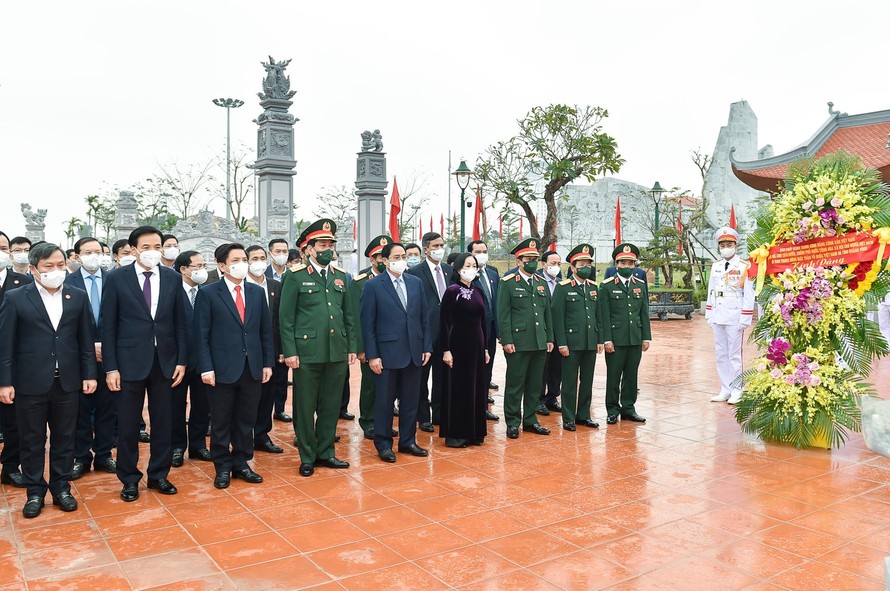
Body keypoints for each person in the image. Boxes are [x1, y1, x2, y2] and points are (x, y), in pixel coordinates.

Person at [0, 243, 97, 517]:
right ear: (33, 269)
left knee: (65, 437)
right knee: (32, 439)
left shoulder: (76, 296)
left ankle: (61, 487)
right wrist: (4, 382)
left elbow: (85, 340)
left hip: (67, 381)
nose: (55, 271)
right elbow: (5, 344)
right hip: (29, 382)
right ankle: (34, 492)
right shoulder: (16, 297)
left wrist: (89, 374)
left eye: (60, 265)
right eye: (48, 267)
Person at [101, 226, 188, 502]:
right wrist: (111, 367)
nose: (154, 252)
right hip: (128, 363)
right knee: (127, 425)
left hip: (165, 362)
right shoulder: (117, 279)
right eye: (147, 247)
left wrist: (182, 361)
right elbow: (109, 326)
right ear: (134, 249)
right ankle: (129, 478)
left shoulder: (173, 279)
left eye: (158, 247)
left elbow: (182, 324)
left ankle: (159, 475)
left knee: (164, 421)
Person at [280, 219, 356, 477]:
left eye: (330, 245)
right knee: (304, 405)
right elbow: (286, 318)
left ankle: (326, 453)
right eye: (322, 244)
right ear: (308, 248)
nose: (328, 249)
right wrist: (290, 351)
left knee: (331, 404)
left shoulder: (340, 277)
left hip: (336, 351)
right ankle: (308, 456)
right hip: (306, 352)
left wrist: (351, 347)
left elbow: (348, 315)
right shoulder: (295, 276)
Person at [195, 243, 274, 489]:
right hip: (221, 370)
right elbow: (201, 335)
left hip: (252, 367)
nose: (242, 264)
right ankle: (222, 466)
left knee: (246, 419)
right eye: (236, 260)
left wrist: (267, 363)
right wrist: (206, 368)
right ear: (222, 265)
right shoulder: (208, 293)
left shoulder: (256, 292)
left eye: (244, 259)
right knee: (221, 420)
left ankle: (241, 462)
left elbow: (265, 332)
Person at [360, 242, 432, 462]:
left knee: (411, 400)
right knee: (384, 402)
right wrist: (372, 355)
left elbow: (423, 318)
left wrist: (426, 346)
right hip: (387, 354)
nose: (401, 260)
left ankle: (408, 441)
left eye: (404, 256)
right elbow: (367, 324)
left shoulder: (415, 282)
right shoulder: (373, 286)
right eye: (397, 256)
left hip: (413, 351)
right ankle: (383, 444)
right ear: (385, 260)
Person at [64, 237, 117, 479]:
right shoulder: (67, 282)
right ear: (77, 256)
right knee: (81, 409)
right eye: (88, 252)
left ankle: (104, 454)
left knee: (108, 408)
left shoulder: (115, 280)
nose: (94, 256)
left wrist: (107, 346)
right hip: (79, 355)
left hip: (111, 354)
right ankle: (81, 457)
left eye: (98, 251)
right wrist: (88, 346)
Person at [496, 239, 554, 438]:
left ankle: (530, 420)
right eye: (528, 259)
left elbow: (547, 313)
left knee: (535, 384)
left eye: (535, 259)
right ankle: (513, 422)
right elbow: (503, 314)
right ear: (519, 261)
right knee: (515, 384)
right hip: (518, 342)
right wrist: (507, 339)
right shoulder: (508, 282)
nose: (533, 262)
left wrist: (549, 338)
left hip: (539, 341)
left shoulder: (541, 283)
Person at [440, 253, 489, 447]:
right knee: (459, 389)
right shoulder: (452, 291)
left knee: (476, 388)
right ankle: (457, 434)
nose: (471, 268)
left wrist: (485, 347)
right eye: (467, 265)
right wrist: (446, 350)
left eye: (474, 265)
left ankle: (475, 432)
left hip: (476, 346)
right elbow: (444, 322)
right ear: (459, 268)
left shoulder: (478, 291)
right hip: (458, 346)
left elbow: (483, 321)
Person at [600, 243, 652, 425]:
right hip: (615, 339)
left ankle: (628, 408)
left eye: (631, 264)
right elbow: (603, 315)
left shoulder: (639, 285)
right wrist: (606, 339)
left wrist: (646, 337)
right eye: (623, 263)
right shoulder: (606, 286)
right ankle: (612, 409)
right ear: (617, 264)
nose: (627, 267)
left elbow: (644, 312)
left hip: (635, 338)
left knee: (631, 375)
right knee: (614, 376)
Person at [552, 244, 602, 431]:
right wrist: (562, 343)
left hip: (590, 342)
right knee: (570, 382)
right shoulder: (563, 288)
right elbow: (558, 318)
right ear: (573, 267)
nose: (586, 267)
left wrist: (599, 339)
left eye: (588, 264)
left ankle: (583, 415)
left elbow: (599, 317)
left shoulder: (593, 288)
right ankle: (568, 417)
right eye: (582, 264)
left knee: (587, 381)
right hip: (571, 344)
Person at [406, 232, 452, 433]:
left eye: (442, 244)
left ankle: (440, 415)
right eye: (436, 245)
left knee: (443, 377)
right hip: (424, 334)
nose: (440, 248)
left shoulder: (450, 271)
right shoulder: (415, 273)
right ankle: (423, 416)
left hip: (447, 334)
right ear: (426, 248)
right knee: (421, 379)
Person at [352, 235, 397, 440]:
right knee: (370, 385)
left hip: (394, 343)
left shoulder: (397, 279)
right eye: (380, 256)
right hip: (372, 343)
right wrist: (362, 348)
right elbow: (355, 317)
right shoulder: (361, 282)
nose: (384, 259)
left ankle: (384, 421)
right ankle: (368, 421)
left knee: (390, 385)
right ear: (372, 260)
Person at [170, 250, 212, 465]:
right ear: (183, 269)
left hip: (203, 359)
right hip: (177, 361)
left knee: (202, 405)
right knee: (176, 405)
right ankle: (177, 447)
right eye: (197, 266)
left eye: (203, 265)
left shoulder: (208, 292)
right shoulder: (171, 292)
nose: (201, 270)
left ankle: (198, 445)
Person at [705, 227, 755, 404]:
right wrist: (709, 313)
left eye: (729, 244)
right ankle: (725, 388)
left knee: (734, 355)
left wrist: (745, 317)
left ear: (736, 245)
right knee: (721, 354)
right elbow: (711, 290)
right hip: (718, 313)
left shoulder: (744, 267)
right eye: (723, 245)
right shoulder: (716, 266)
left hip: (735, 314)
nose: (726, 247)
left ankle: (737, 389)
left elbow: (749, 294)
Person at [0, 230, 34, 488]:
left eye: (3, 247)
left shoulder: (21, 283)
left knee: (14, 420)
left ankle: (10, 466)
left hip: (11, 361)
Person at [244, 245, 286, 454]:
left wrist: (281, 349)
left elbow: (280, 321)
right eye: (254, 258)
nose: (259, 262)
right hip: (246, 351)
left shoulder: (275, 286)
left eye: (262, 257)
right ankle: (243, 437)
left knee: (268, 394)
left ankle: (262, 435)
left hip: (270, 350)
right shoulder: (240, 285)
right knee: (247, 396)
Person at [468, 240, 500, 416]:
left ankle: (483, 403)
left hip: (492, 330)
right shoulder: (468, 274)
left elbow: (498, 303)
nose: (482, 254)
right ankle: (474, 406)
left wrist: (500, 332)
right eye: (478, 251)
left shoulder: (493, 273)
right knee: (475, 371)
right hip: (475, 330)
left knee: (487, 369)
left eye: (484, 251)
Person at [536, 250, 563, 416]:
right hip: (543, 332)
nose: (556, 267)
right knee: (542, 368)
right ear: (543, 264)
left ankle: (552, 397)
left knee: (556, 367)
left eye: (559, 264)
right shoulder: (537, 282)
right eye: (552, 263)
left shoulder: (561, 283)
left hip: (559, 332)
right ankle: (539, 399)